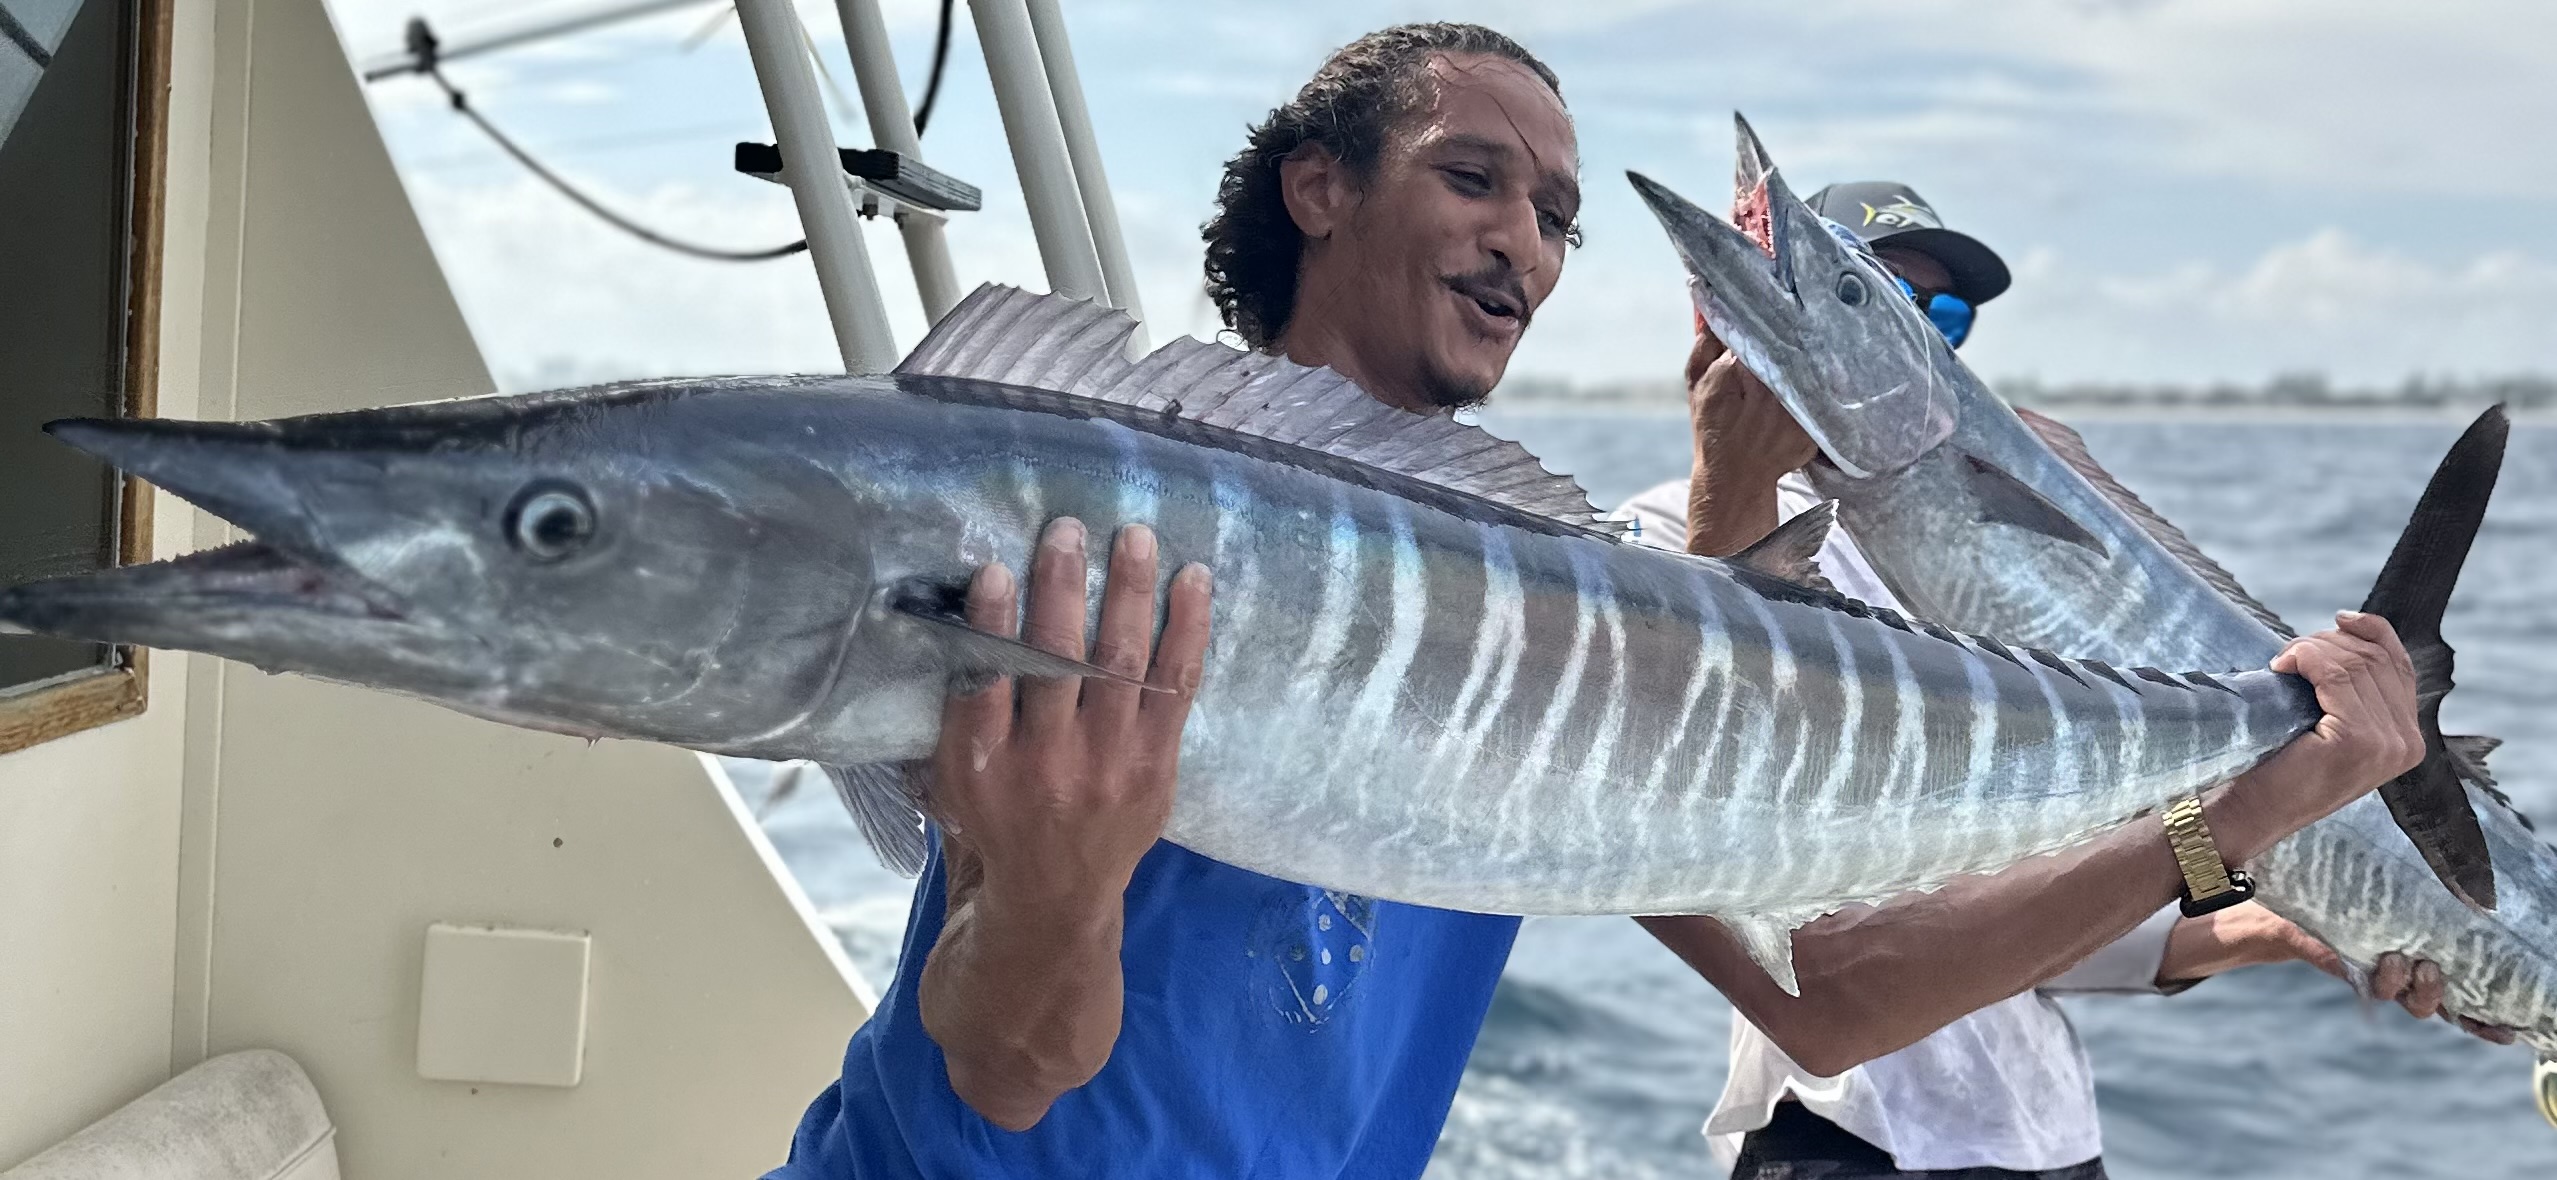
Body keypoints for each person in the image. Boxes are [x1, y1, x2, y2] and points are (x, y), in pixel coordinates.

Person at [772, 25, 2430, 1179]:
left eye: (1557, 218)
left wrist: (2254, 831)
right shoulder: (1112, 521)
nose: (1526, 243)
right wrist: (1055, 880)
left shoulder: (1564, 614)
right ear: (1319, 188)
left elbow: (1833, 990)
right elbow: (1008, 1073)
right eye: (1473, 179)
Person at [1617, 182, 2510, 1180]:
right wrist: (1733, 481)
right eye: (1880, 296)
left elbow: (2037, 912)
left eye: (1942, 315)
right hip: (1844, 1138)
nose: (1920, 330)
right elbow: (1756, 834)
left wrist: (2283, 928)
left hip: (2051, 1143)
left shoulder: (1993, 572)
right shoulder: (1660, 536)